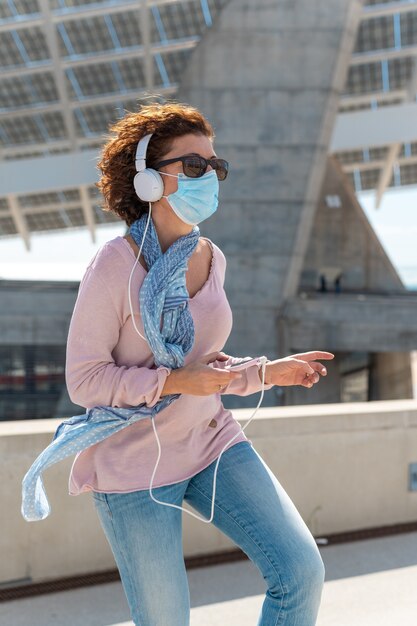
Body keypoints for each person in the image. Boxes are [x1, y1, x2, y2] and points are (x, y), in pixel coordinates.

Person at [64, 101, 334, 626]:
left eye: (215, 166)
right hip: (133, 469)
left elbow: (205, 366)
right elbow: (84, 380)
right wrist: (175, 381)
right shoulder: (114, 266)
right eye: (193, 166)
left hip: (211, 441)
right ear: (148, 179)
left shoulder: (210, 256)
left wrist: (267, 372)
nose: (209, 176)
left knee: (301, 573)